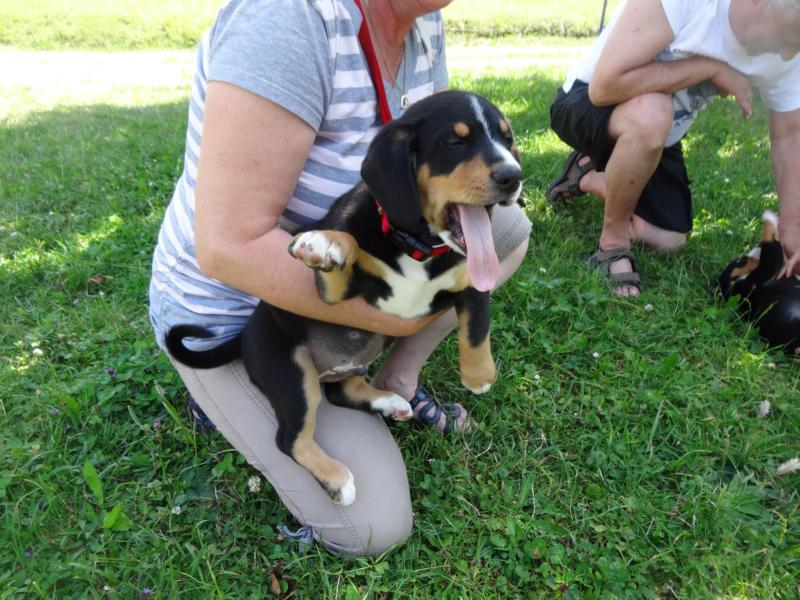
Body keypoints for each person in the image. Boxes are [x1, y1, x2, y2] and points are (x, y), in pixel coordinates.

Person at [148, 0, 531, 557]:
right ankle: (223, 398)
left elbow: (424, 173)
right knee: (371, 524)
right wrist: (401, 315)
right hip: (240, 310)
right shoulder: (286, 19)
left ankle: (394, 377)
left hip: (359, 262)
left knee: (506, 230)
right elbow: (228, 249)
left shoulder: (422, 20)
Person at [547, 0, 800, 297]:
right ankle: (612, 245)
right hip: (585, 102)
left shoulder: (790, 49)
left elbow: (789, 134)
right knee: (654, 112)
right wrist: (710, 68)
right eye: (787, 39)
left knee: (667, 239)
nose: (788, 55)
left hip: (656, 135)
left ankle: (588, 173)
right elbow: (604, 87)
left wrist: (792, 225)